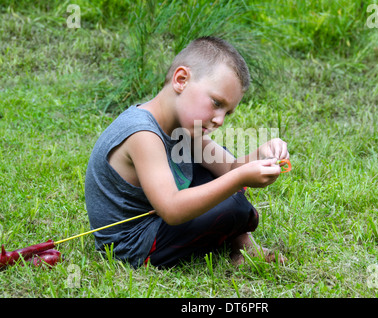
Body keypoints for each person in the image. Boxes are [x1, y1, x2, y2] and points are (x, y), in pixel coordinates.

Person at [85, 36, 289, 268]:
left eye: (227, 113)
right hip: (133, 245)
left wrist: (261, 155)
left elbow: (230, 168)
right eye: (216, 103)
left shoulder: (186, 127)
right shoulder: (142, 134)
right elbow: (172, 209)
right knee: (233, 207)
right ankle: (235, 238)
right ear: (181, 80)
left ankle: (242, 244)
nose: (220, 120)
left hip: (159, 219)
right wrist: (239, 179)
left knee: (217, 172)